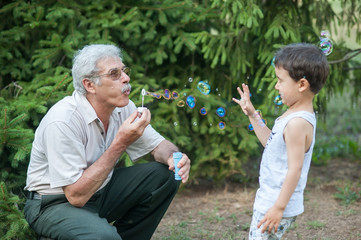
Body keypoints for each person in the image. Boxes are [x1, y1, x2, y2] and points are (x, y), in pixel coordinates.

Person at [24, 44, 191, 240]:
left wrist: (174, 157)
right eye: (114, 73)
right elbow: (76, 196)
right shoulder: (63, 121)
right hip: (53, 204)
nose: (126, 78)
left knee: (165, 175)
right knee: (104, 236)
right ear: (89, 85)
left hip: (99, 191)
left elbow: (158, 146)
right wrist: (120, 143)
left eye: (124, 71)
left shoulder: (124, 107)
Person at [232, 43, 329, 239]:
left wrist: (278, 207)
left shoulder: (297, 123)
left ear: (302, 85)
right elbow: (272, 143)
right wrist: (252, 115)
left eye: (280, 80)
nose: (276, 85)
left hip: (275, 203)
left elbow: (295, 169)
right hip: (272, 200)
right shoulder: (295, 114)